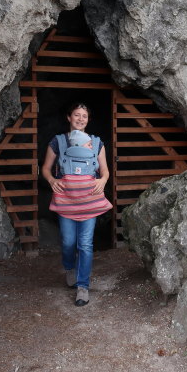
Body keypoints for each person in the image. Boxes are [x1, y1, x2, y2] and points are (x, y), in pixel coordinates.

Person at [41, 103, 111, 307]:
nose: (80, 119)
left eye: (84, 116)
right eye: (77, 115)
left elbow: (105, 171)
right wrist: (52, 181)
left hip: (89, 200)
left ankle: (83, 286)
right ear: (68, 117)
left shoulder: (97, 143)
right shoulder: (58, 142)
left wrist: (102, 181)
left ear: (88, 120)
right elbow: (45, 168)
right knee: (68, 242)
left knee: (86, 244)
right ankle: (69, 267)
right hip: (67, 200)